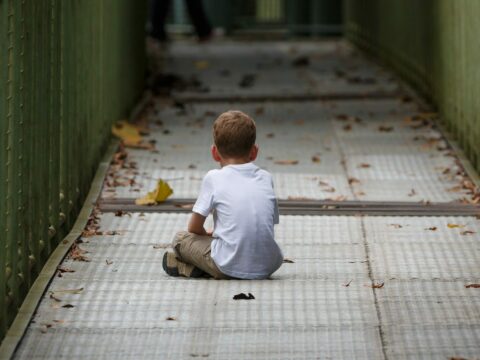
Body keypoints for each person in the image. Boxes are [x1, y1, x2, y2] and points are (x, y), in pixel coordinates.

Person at [163, 110, 284, 280]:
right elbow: (269, 223)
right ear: (254, 152)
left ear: (214, 153)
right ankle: (207, 268)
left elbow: (194, 228)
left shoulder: (213, 178)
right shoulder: (266, 177)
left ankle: (197, 268)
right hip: (267, 265)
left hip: (227, 264)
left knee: (180, 238)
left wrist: (210, 234)